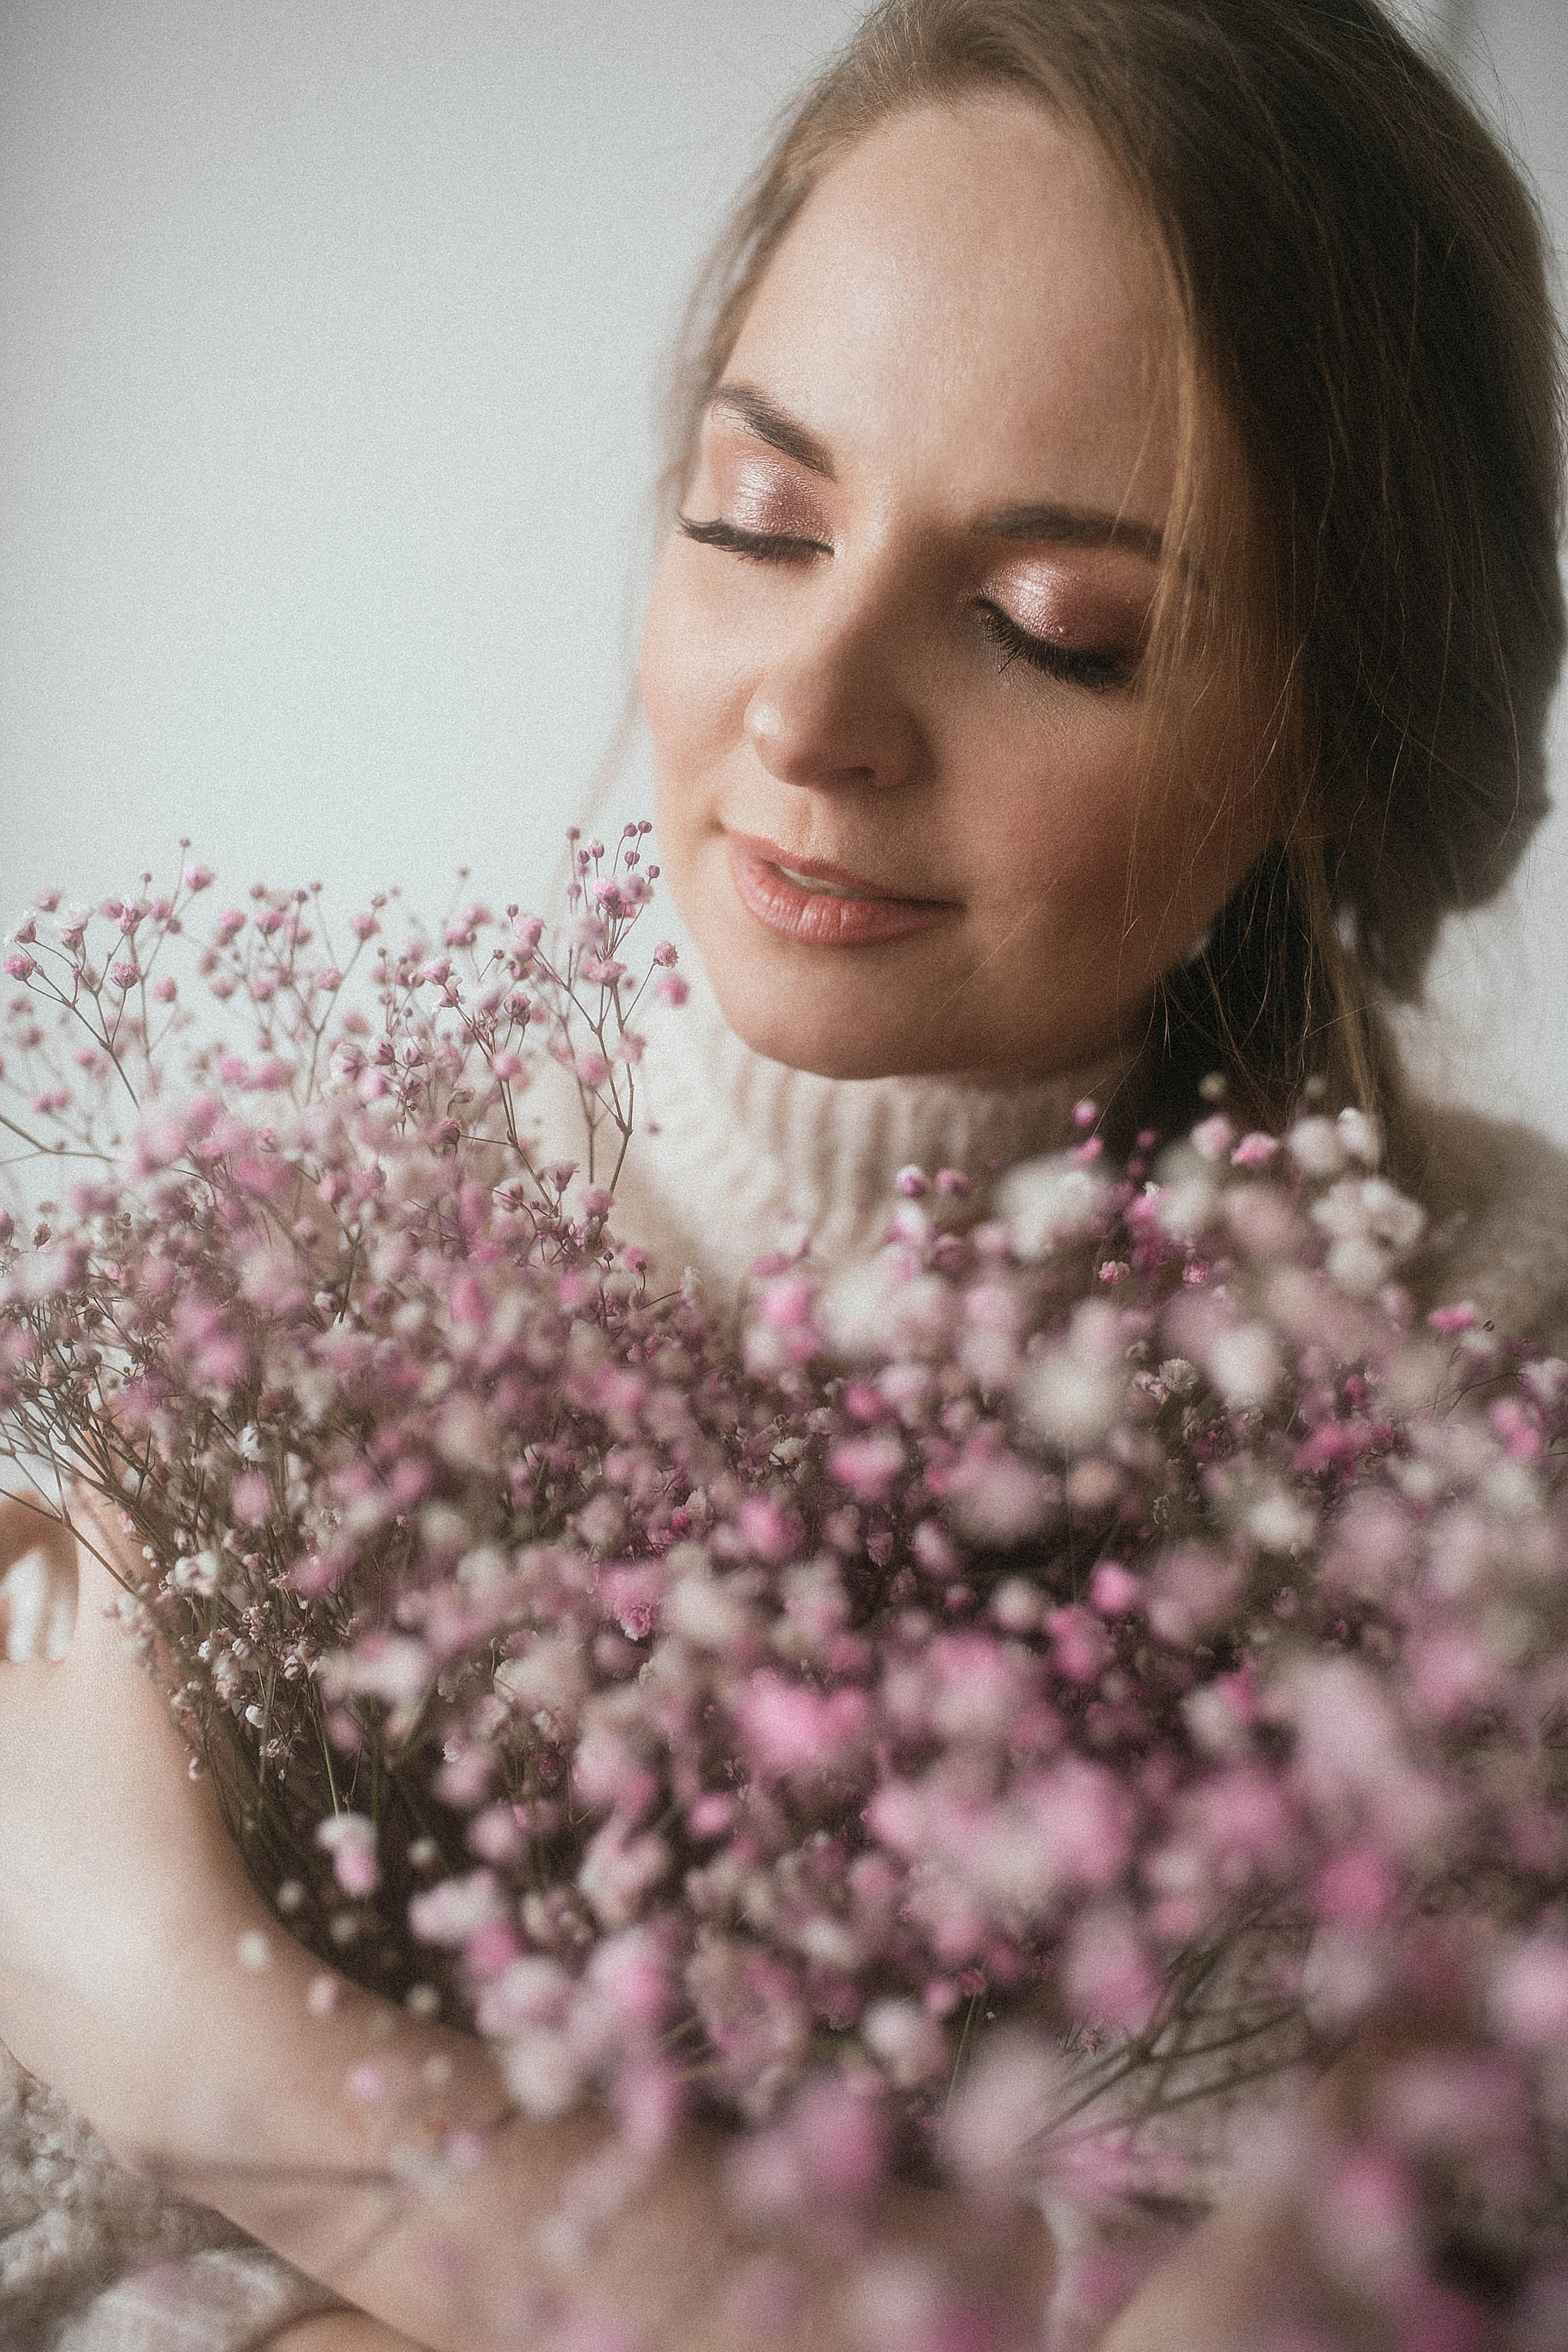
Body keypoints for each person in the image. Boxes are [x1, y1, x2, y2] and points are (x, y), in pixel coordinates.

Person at [2, 0, 1566, 2344]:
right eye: (761, 519)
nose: (808, 714)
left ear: (1336, 734)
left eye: (1058, 628)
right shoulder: (278, 1326)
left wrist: (190, 2017)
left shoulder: (1493, 1420)